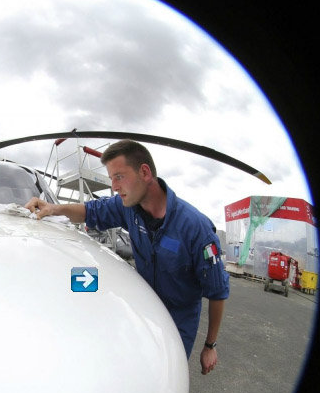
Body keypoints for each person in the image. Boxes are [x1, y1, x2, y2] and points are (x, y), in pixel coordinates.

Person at [24, 139, 228, 375]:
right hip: (143, 305)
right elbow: (89, 212)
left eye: (119, 176)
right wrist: (53, 208)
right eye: (111, 178)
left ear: (144, 172)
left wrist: (210, 346)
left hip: (178, 318)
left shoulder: (196, 228)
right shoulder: (127, 208)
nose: (114, 186)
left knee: (170, 375)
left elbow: (217, 292)